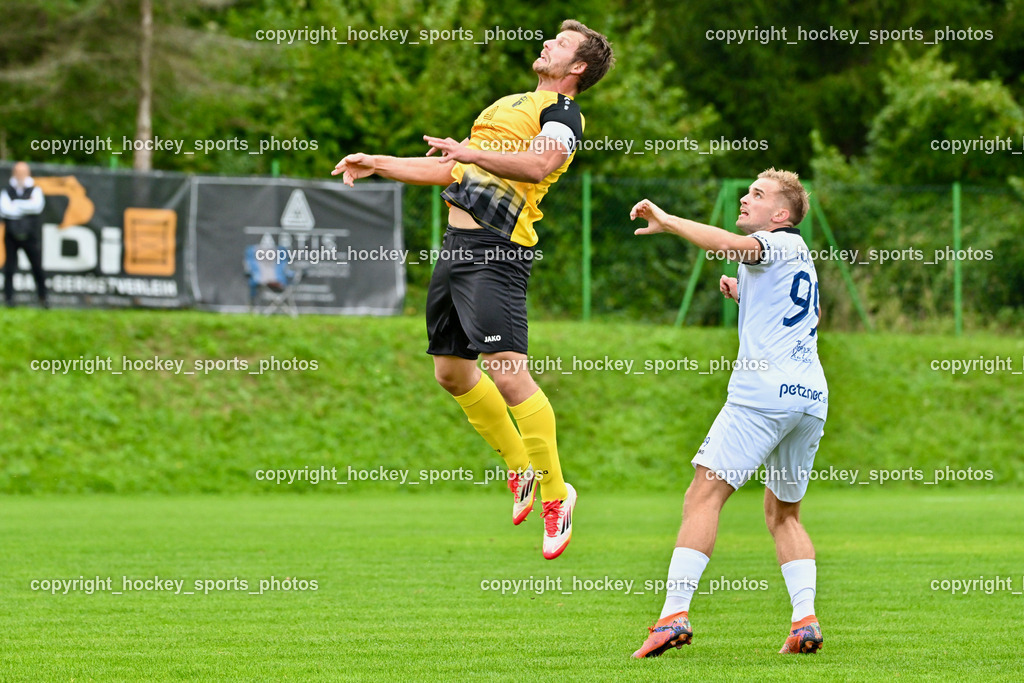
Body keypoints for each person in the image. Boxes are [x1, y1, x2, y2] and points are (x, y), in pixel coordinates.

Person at [332, 21, 614, 559]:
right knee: (452, 373)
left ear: (577, 68)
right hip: (456, 248)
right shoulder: (505, 105)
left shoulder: (561, 114)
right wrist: (378, 164)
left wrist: (470, 154)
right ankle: (520, 465)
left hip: (498, 250)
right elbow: (452, 172)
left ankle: (557, 494)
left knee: (508, 370)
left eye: (562, 43)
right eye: (551, 36)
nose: (548, 43)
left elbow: (541, 163)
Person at [628, 169, 827, 656]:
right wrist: (748, 296)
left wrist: (670, 220)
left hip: (763, 393)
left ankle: (673, 615)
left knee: (703, 496)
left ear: (781, 215)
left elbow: (725, 244)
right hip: (810, 396)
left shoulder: (774, 243)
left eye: (757, 194)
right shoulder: (799, 256)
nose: (745, 198)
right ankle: (805, 622)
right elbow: (809, 315)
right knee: (784, 514)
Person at [1, 162, 48, 307]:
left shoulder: (35, 190)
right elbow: (5, 210)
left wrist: (15, 204)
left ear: (28, 173)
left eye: (23, 171)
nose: (20, 174)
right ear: (14, 173)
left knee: (37, 267)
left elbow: (36, 207)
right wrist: (26, 205)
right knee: (9, 269)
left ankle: (43, 298)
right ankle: (9, 299)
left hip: (30, 236)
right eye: (18, 171)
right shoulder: (6, 191)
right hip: (11, 236)